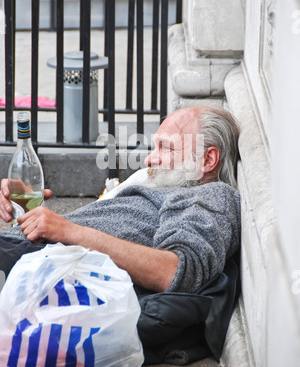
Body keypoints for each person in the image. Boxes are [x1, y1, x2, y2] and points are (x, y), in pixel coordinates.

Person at [0, 106, 241, 296]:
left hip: (41, 268)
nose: (149, 159)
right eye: (153, 147)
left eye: (165, 148)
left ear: (207, 160)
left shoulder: (209, 196)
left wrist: (67, 230)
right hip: (28, 255)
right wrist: (27, 204)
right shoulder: (161, 187)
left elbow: (173, 271)